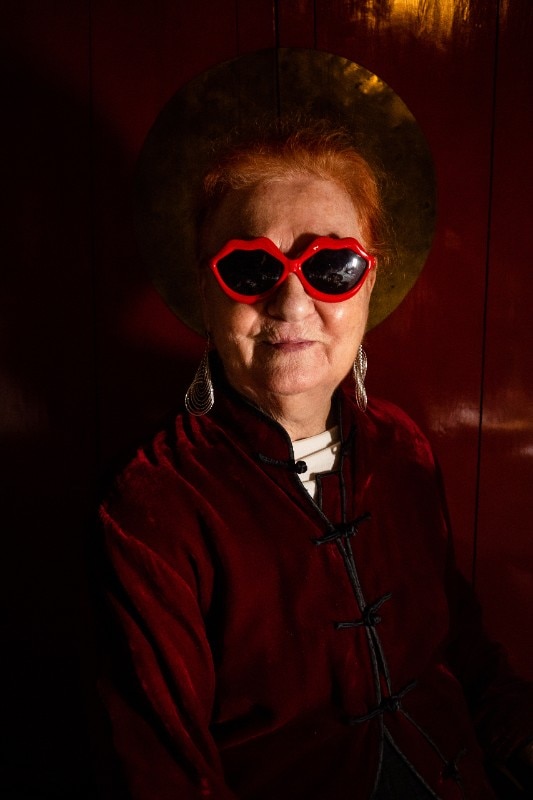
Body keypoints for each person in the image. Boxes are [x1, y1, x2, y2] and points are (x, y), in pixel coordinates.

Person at [96, 121, 533, 799]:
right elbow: (161, 767)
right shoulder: (155, 505)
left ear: (366, 283)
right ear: (205, 288)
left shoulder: (401, 450)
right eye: (251, 268)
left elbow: (462, 646)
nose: (292, 302)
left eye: (330, 267)